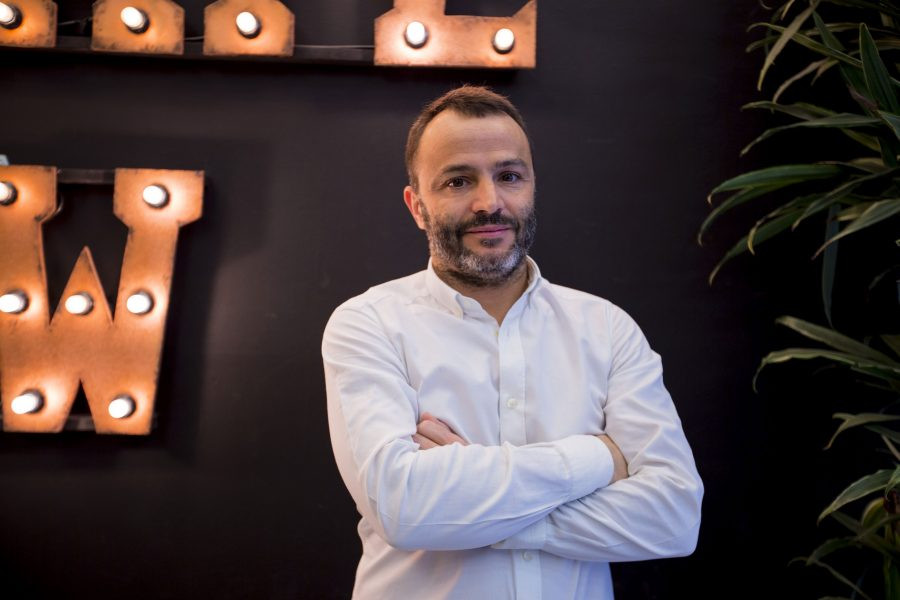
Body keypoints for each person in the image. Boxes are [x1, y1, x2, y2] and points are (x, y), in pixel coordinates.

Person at [322, 85, 703, 600]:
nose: (490, 203)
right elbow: (403, 509)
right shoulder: (368, 324)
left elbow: (674, 517)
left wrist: (468, 507)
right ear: (417, 206)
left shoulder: (607, 328)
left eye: (509, 176)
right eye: (458, 181)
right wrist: (596, 458)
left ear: (531, 185)